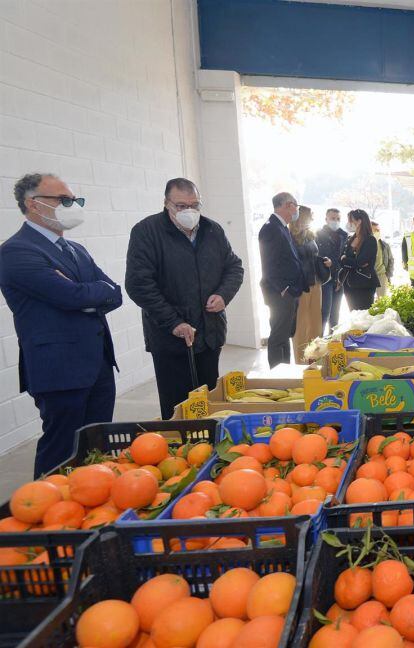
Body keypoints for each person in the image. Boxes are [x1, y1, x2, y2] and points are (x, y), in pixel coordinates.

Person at [0, 173, 122, 476]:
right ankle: (49, 516)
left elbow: (114, 293)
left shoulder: (76, 250)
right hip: (60, 369)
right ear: (33, 204)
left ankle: (92, 504)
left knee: (98, 444)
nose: (72, 205)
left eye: (74, 200)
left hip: (98, 364)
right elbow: (69, 296)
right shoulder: (16, 252)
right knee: (62, 449)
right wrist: (89, 294)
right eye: (63, 200)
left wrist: (89, 294)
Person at [126, 178, 245, 419]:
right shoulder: (146, 232)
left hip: (209, 331)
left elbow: (234, 267)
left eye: (195, 205)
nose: (189, 211)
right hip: (171, 337)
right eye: (181, 206)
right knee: (177, 407)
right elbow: (139, 285)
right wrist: (174, 322)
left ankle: (210, 448)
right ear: (166, 204)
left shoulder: (212, 230)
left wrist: (223, 295)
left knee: (208, 401)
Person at [259, 192, 305, 367]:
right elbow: (269, 263)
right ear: (287, 205)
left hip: (288, 291)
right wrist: (283, 288)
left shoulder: (281, 227)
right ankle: (277, 377)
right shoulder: (270, 228)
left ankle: (285, 370)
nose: (296, 210)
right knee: (278, 336)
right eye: (295, 205)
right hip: (279, 293)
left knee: (285, 334)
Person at [290, 206, 331, 363]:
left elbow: (313, 257)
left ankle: (314, 358)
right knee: (301, 325)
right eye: (309, 217)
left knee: (315, 322)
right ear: (300, 218)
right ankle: (300, 361)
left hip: (316, 284)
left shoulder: (310, 235)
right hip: (301, 285)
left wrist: (325, 262)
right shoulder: (290, 237)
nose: (312, 220)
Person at [340, 209, 380, 310]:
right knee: (353, 317)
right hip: (349, 284)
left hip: (364, 284)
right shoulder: (351, 238)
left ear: (359, 221)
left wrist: (346, 260)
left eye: (350, 220)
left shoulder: (370, 240)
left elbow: (361, 261)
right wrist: (347, 261)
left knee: (363, 318)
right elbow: (341, 258)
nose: (348, 223)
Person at [316, 208, 346, 335]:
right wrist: (331, 262)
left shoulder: (343, 235)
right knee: (325, 313)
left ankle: (333, 343)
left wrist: (340, 277)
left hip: (339, 279)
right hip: (326, 279)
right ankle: (319, 342)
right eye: (333, 218)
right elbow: (318, 256)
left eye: (338, 219)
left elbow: (344, 257)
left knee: (335, 315)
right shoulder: (318, 234)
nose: (335, 221)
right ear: (326, 219)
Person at [373, 221, 395, 298]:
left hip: (382, 275)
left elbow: (391, 260)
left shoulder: (384, 245)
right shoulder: (365, 244)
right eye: (374, 230)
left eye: (378, 230)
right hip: (369, 276)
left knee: (382, 300)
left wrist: (388, 275)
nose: (377, 232)